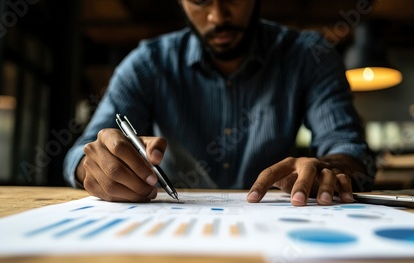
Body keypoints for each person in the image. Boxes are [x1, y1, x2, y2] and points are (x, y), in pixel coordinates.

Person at [63, 0, 376, 206]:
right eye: (200, 0)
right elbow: (83, 150)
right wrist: (91, 165)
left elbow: (350, 150)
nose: (217, 17)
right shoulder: (147, 64)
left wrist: (328, 169)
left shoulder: (310, 56)